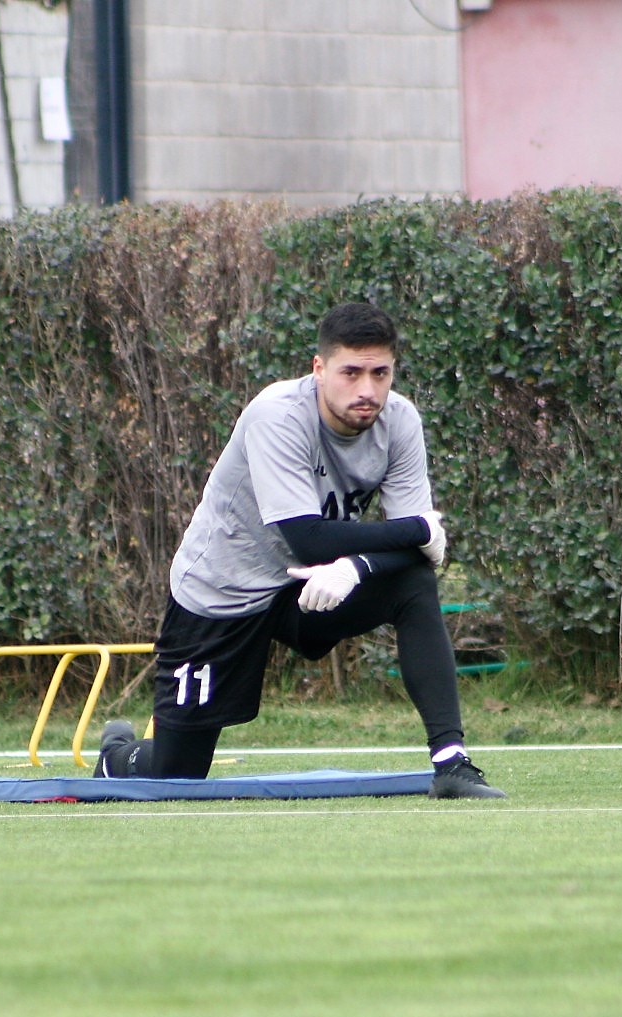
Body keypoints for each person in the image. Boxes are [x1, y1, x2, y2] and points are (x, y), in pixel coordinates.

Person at [93, 301, 504, 799]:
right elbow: (310, 538)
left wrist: (359, 566)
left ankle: (452, 763)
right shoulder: (277, 414)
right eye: (350, 373)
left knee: (412, 583)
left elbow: (421, 552)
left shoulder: (400, 421)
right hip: (223, 591)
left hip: (308, 588)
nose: (367, 390)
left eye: (380, 373)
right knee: (175, 779)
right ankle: (118, 754)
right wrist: (418, 530)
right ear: (319, 369)